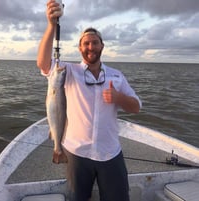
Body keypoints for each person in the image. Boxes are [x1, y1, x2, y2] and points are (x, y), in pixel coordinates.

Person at [37, 1, 142, 200]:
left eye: (95, 42)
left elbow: (136, 107)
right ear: (79, 48)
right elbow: (43, 64)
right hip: (76, 152)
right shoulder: (68, 72)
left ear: (102, 46)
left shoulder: (116, 76)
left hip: (110, 153)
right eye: (86, 43)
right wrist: (51, 25)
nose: (91, 47)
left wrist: (119, 98)